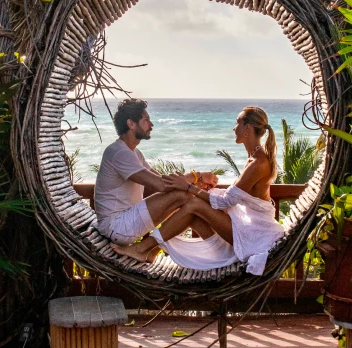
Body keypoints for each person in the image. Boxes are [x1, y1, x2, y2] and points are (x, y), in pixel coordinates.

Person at [110, 106, 286, 275]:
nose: (234, 128)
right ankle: (151, 251)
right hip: (245, 227)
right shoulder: (253, 159)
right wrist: (199, 189)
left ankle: (142, 248)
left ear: (247, 128)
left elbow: (226, 202)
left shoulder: (259, 163)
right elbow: (234, 196)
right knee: (191, 209)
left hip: (253, 235)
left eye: (237, 123)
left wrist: (189, 186)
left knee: (193, 203)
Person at [95, 99, 219, 251]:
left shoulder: (133, 153)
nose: (151, 125)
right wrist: (197, 175)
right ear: (131, 124)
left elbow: (163, 180)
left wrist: (194, 184)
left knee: (189, 206)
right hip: (117, 226)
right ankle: (217, 247)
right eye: (146, 120)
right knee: (182, 195)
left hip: (125, 222)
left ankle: (216, 248)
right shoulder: (119, 153)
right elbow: (162, 185)